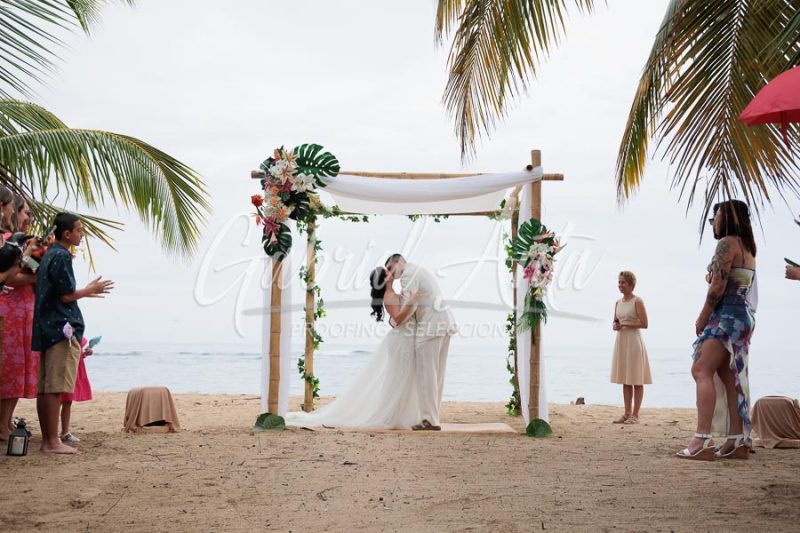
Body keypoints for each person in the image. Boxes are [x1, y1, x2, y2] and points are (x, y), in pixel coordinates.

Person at [284, 266, 421, 429]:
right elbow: (398, 319)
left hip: (406, 338)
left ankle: (402, 413)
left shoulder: (395, 293)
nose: (391, 273)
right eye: (387, 273)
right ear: (385, 280)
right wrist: (412, 301)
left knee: (403, 378)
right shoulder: (388, 295)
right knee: (398, 378)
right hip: (401, 341)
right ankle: (393, 414)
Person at [676, 200, 757, 460]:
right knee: (727, 374)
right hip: (742, 317)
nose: (714, 223)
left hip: (726, 317)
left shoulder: (726, 244)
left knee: (700, 369)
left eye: (716, 217)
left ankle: (702, 439)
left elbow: (718, 288)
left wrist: (702, 318)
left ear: (728, 218)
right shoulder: (747, 246)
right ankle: (736, 440)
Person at [32, 212, 113, 454]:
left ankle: (50, 440)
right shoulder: (61, 256)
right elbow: (65, 295)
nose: (81, 234)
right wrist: (89, 290)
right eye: (78, 230)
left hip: (47, 326)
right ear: (67, 234)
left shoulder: (49, 255)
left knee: (46, 387)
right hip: (60, 328)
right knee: (54, 387)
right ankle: (52, 441)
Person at [385, 254, 457, 431]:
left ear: (398, 262)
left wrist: (394, 321)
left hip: (430, 328)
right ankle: (433, 417)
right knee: (437, 375)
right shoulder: (419, 271)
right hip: (443, 323)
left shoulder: (408, 275)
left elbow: (409, 308)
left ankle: (430, 420)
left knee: (426, 375)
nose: (390, 274)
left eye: (390, 268)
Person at [0, 196, 39, 442]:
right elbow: (12, 276)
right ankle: (2, 425)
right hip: (10, 311)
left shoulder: (18, 240)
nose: (27, 218)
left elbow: (29, 268)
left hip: (23, 312)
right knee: (9, 370)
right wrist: (38, 272)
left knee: (18, 369)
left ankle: (6, 421)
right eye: (24, 212)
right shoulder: (7, 241)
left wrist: (38, 258)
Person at [610, 271, 652, 424]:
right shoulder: (617, 303)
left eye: (623, 283)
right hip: (621, 341)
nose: (620, 285)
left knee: (636, 378)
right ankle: (627, 413)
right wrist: (616, 326)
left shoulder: (637, 301)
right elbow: (616, 321)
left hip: (634, 342)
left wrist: (625, 324)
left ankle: (636, 414)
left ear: (631, 285)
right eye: (619, 282)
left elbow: (644, 324)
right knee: (625, 378)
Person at [59, 336, 93, 442]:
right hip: (64, 369)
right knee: (56, 402)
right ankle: (52, 433)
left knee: (67, 401)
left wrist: (85, 353)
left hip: (75, 369)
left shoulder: (76, 335)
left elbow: (76, 353)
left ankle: (65, 432)